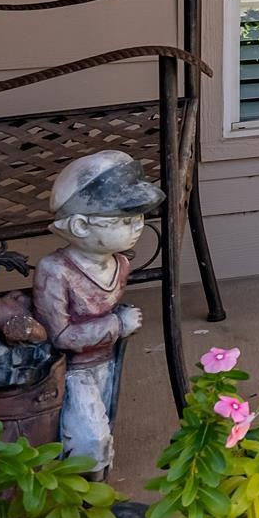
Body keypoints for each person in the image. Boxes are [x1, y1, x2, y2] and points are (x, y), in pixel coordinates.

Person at [30, 151, 162, 478]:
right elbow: (60, 335)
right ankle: (84, 492)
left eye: (139, 218)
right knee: (90, 438)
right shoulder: (55, 271)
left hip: (106, 362)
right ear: (79, 225)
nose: (138, 227)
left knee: (102, 427)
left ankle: (94, 490)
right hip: (71, 371)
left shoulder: (120, 264)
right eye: (124, 221)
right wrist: (117, 323)